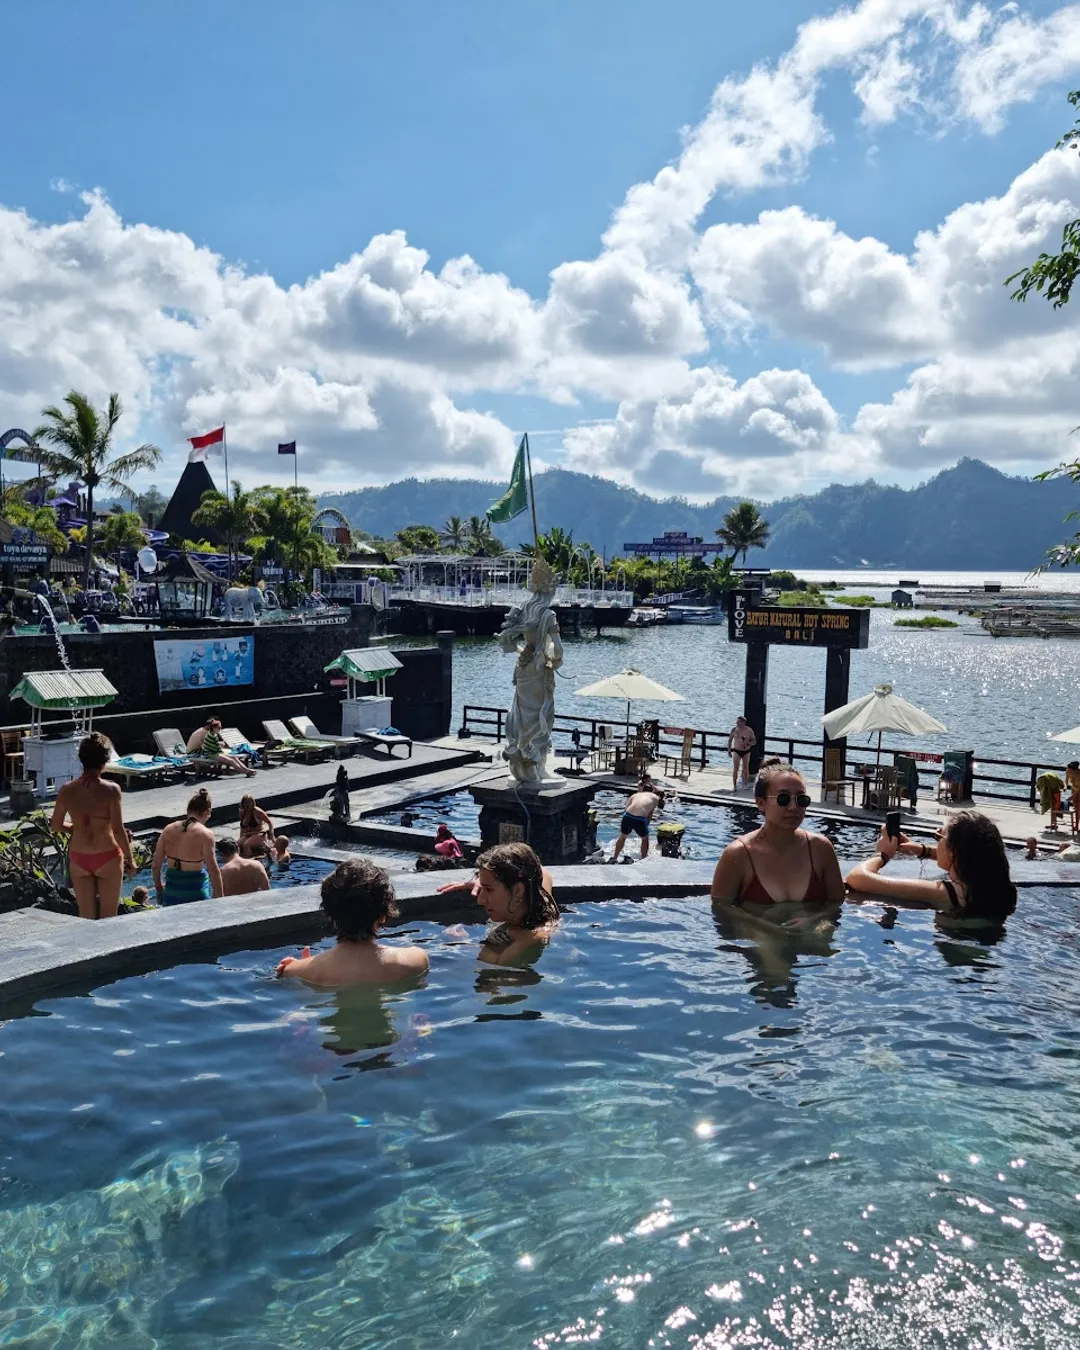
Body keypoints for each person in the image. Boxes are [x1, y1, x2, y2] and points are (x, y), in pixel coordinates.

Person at [710, 762, 845, 914]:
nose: (794, 807)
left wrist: (813, 920)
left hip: (810, 936)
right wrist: (768, 929)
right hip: (757, 937)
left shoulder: (821, 848)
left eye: (801, 799)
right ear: (761, 803)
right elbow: (721, 910)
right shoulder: (738, 854)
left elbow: (836, 904)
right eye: (783, 798)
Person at [275, 858, 429, 985]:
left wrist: (305, 966)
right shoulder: (415, 960)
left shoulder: (296, 971)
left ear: (329, 913)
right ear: (383, 915)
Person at [845, 811, 1017, 921]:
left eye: (939, 837)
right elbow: (970, 857)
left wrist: (882, 855)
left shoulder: (946, 893)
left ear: (952, 852)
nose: (936, 842)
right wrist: (923, 850)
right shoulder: (992, 887)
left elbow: (857, 878)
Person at [50, 732, 136, 920]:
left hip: (79, 856)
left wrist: (74, 828)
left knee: (85, 919)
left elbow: (55, 825)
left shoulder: (67, 789)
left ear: (82, 759)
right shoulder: (111, 790)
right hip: (107, 855)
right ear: (105, 761)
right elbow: (118, 829)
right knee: (108, 919)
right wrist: (130, 859)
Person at [151, 787, 223, 904]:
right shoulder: (206, 834)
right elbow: (213, 870)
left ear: (188, 810)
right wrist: (220, 899)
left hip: (171, 893)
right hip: (196, 894)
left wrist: (159, 889)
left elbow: (155, 866)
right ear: (207, 812)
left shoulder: (168, 829)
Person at [611, 779, 664, 861]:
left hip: (627, 816)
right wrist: (645, 826)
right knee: (645, 838)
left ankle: (615, 858)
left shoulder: (635, 795)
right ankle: (643, 859)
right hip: (640, 819)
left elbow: (626, 809)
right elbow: (649, 815)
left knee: (623, 837)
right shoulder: (655, 797)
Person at [186, 717, 256, 778]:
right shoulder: (206, 733)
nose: (220, 729)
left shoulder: (207, 732)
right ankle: (246, 771)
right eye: (219, 727)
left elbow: (211, 745)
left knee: (234, 757)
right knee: (230, 760)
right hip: (196, 751)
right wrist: (221, 747)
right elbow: (210, 747)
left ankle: (246, 769)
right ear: (212, 727)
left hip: (206, 751)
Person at [727, 716, 757, 790]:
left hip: (746, 751)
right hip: (737, 751)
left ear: (743, 722)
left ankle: (745, 784)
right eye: (737, 722)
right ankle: (734, 786)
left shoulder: (749, 730)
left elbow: (754, 741)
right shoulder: (734, 729)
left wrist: (749, 743)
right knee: (735, 768)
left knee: (745, 768)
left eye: (739, 722)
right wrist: (729, 750)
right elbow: (730, 740)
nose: (737, 723)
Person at [1066, 761, 1080, 834]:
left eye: (1071, 770)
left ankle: (1077, 826)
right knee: (1076, 809)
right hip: (1074, 790)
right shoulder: (1068, 771)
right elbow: (1066, 779)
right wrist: (1065, 786)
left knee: (1079, 809)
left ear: (1076, 769)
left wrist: (1072, 796)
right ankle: (1076, 826)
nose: (1069, 772)